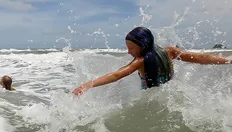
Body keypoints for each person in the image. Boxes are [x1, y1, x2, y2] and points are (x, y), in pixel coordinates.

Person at [72, 26, 232, 95]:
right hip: (170, 90)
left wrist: (88, 84)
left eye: (131, 48)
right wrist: (227, 60)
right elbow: (200, 58)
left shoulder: (139, 61)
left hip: (151, 97)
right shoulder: (170, 51)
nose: (129, 52)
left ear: (143, 45)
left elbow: (116, 75)